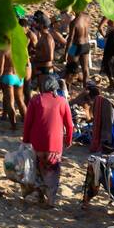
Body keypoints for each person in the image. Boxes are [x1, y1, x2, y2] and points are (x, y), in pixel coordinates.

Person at [21, 74, 73, 207]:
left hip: (37, 143)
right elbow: (69, 124)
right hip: (54, 145)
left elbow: (28, 123)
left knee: (38, 169)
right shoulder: (62, 101)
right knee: (52, 173)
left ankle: (39, 195)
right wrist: (69, 139)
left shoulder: (35, 100)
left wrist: (26, 140)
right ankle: (50, 200)